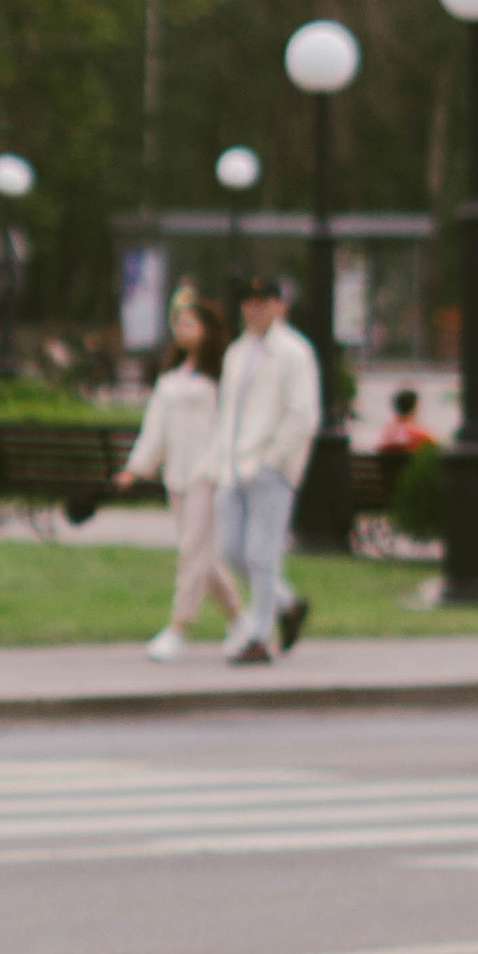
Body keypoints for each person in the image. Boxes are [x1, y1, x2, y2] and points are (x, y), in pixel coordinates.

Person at [115, 292, 241, 660]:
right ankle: (240, 618)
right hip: (178, 475)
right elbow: (154, 430)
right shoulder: (170, 379)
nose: (181, 330)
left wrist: (222, 468)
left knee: (191, 551)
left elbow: (229, 428)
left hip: (208, 472)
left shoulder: (220, 379)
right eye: (179, 324)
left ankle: (179, 627)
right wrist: (136, 468)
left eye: (189, 323)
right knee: (203, 556)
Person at [211, 274, 321, 666]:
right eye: (247, 302)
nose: (253, 309)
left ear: (279, 305)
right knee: (230, 549)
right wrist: (222, 460)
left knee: (262, 553)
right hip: (233, 466)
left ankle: (258, 636)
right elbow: (227, 412)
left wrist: (273, 461)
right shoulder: (237, 352)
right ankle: (287, 606)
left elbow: (302, 413)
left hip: (268, 468)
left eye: (262, 301)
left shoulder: (293, 352)